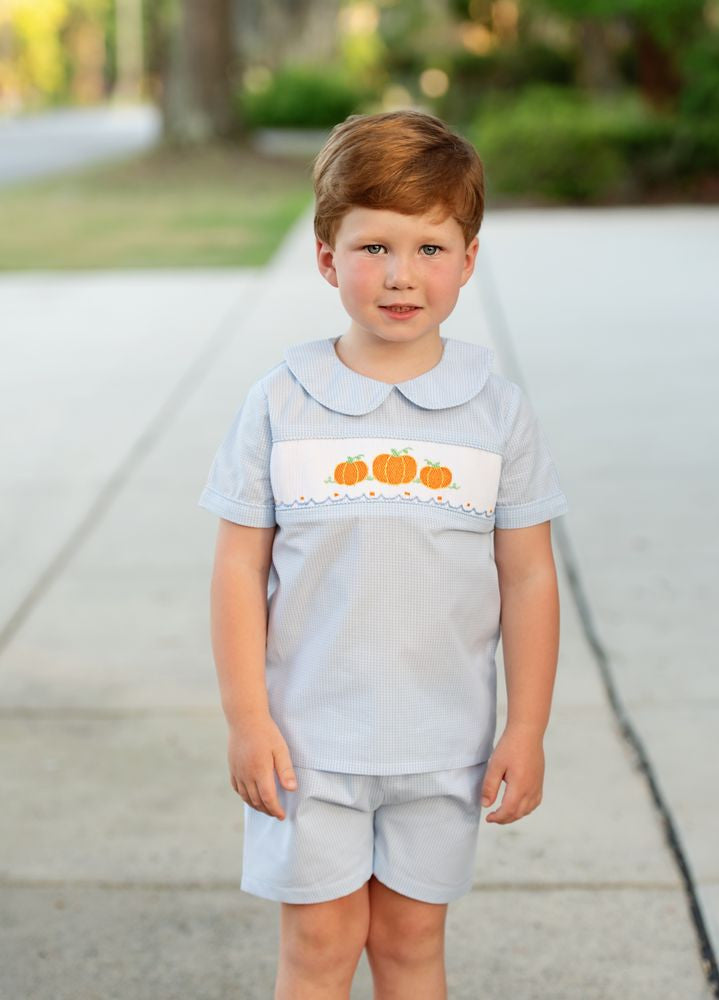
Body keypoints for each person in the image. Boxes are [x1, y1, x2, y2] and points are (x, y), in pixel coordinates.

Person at [197, 108, 569, 999]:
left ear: (469, 259)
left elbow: (527, 576)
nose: (402, 276)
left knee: (409, 948)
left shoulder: (496, 410)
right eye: (375, 248)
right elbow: (238, 569)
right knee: (319, 951)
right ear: (328, 257)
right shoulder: (282, 402)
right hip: (308, 745)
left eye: (430, 249)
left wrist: (527, 726)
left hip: (443, 745)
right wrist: (248, 719)